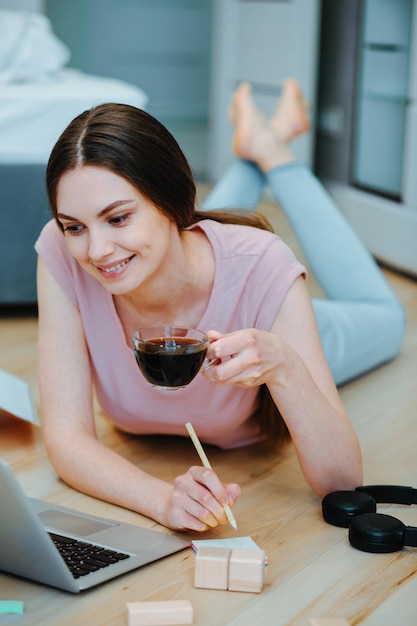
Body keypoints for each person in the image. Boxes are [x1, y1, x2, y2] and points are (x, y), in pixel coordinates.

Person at [34, 79, 402, 533]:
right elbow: (66, 439)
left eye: (118, 217)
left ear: (170, 200)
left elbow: (342, 482)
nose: (97, 251)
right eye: (75, 227)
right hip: (193, 254)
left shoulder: (262, 267)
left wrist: (285, 365)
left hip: (283, 327)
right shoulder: (63, 254)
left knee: (387, 316)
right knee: (169, 242)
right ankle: (260, 141)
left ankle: (276, 155)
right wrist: (162, 499)